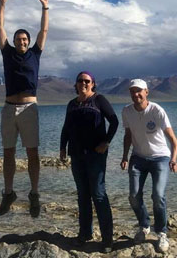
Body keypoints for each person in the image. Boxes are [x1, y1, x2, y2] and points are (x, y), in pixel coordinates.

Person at [0, 0, 49, 217]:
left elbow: (44, 29)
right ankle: (9, 193)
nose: (22, 41)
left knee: (32, 153)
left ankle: (34, 194)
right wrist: (2, 4)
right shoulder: (7, 53)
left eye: (25, 39)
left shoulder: (35, 54)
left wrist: (45, 7)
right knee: (8, 153)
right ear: (14, 41)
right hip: (8, 109)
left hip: (29, 108)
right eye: (18, 39)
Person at [60, 71, 119, 253]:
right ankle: (85, 233)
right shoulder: (72, 104)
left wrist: (106, 142)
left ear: (93, 84)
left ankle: (107, 238)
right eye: (80, 81)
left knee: (99, 194)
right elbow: (66, 128)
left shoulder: (99, 100)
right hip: (77, 155)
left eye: (87, 81)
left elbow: (114, 122)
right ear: (76, 84)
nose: (83, 84)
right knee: (82, 195)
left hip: (96, 155)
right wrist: (62, 148)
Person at [120, 78, 177, 253]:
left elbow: (173, 141)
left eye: (139, 91)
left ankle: (161, 232)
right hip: (138, 158)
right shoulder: (126, 111)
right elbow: (128, 136)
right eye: (132, 91)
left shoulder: (157, 111)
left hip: (160, 158)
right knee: (133, 196)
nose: (135, 94)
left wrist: (174, 160)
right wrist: (124, 157)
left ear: (147, 92)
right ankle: (144, 226)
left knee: (158, 195)